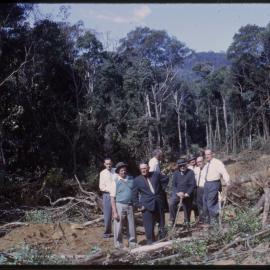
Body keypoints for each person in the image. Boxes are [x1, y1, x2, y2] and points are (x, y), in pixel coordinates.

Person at [132, 161, 169, 245]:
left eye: (145, 168)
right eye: (141, 169)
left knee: (161, 223)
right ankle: (151, 243)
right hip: (146, 206)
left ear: (148, 168)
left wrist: (161, 190)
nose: (143, 170)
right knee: (149, 226)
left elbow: (166, 179)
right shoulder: (137, 180)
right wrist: (139, 205)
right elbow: (134, 195)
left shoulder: (156, 174)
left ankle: (163, 241)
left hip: (159, 203)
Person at [110, 162, 137, 249]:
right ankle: (118, 244)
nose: (123, 172)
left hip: (130, 205)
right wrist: (114, 212)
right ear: (118, 172)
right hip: (119, 205)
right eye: (121, 170)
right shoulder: (115, 182)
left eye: (125, 170)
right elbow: (112, 198)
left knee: (131, 225)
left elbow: (135, 192)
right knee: (118, 225)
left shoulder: (131, 180)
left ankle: (132, 243)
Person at [203, 149, 230, 226]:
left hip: (214, 184)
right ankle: (208, 223)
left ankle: (214, 223)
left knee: (210, 204)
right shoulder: (207, 164)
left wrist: (227, 181)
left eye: (208, 154)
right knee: (205, 204)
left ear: (212, 154)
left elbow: (224, 172)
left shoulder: (217, 162)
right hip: (207, 184)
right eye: (206, 154)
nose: (207, 156)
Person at [169, 158, 196, 228]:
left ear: (186, 165)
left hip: (187, 195)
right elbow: (174, 185)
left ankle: (186, 224)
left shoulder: (190, 172)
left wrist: (187, 193)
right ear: (178, 167)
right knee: (171, 204)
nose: (182, 167)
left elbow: (192, 185)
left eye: (184, 165)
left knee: (187, 210)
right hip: (178, 194)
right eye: (181, 166)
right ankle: (173, 220)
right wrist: (178, 193)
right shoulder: (175, 173)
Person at [99, 158, 115, 238]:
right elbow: (101, 187)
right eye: (107, 164)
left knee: (117, 213)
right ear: (104, 164)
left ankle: (117, 232)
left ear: (112, 163)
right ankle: (107, 233)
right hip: (107, 195)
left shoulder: (116, 171)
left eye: (110, 163)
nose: (109, 165)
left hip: (116, 194)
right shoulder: (102, 173)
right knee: (107, 214)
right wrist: (110, 190)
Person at [194, 156, 206, 224]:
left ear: (203, 161)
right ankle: (202, 220)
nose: (199, 163)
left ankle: (207, 220)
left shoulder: (207, 168)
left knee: (205, 205)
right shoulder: (196, 169)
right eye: (198, 162)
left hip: (205, 188)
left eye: (200, 161)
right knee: (199, 205)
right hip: (198, 189)